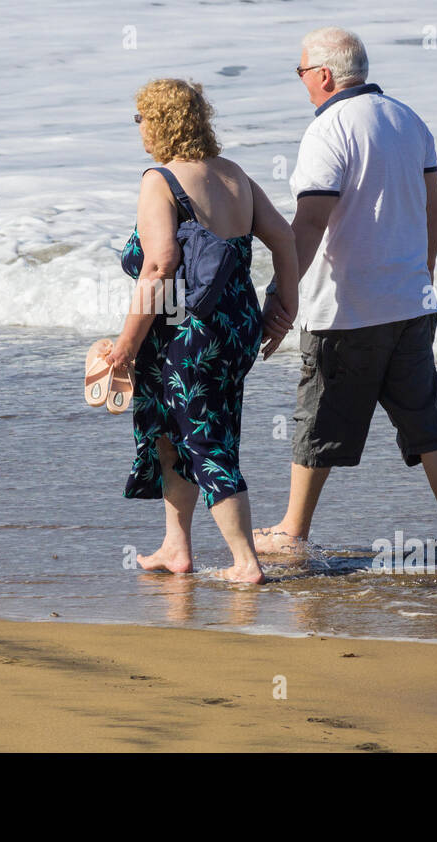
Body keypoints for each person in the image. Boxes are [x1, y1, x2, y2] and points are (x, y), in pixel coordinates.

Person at [255, 27, 437, 554]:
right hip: (410, 302)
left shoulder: (329, 129)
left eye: (302, 71)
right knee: (426, 419)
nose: (302, 81)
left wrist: (282, 297)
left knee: (319, 419)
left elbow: (308, 224)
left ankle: (292, 530)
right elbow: (433, 208)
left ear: (324, 74)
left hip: (346, 309)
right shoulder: (407, 118)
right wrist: (425, 271)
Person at [101, 78, 300, 584]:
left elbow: (159, 265)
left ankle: (246, 563)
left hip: (186, 334)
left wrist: (125, 343)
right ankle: (176, 547)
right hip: (235, 329)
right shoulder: (234, 176)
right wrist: (284, 305)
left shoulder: (160, 180)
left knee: (206, 442)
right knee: (176, 434)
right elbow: (284, 239)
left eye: (141, 117)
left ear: (160, 121)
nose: (139, 127)